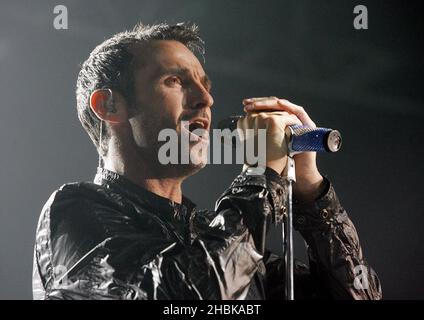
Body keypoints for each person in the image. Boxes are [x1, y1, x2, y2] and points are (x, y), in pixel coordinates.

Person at [32, 22, 382, 300]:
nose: (206, 99)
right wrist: (261, 174)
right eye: (174, 80)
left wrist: (309, 191)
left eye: (205, 84)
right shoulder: (73, 213)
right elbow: (192, 296)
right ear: (109, 106)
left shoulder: (218, 237)